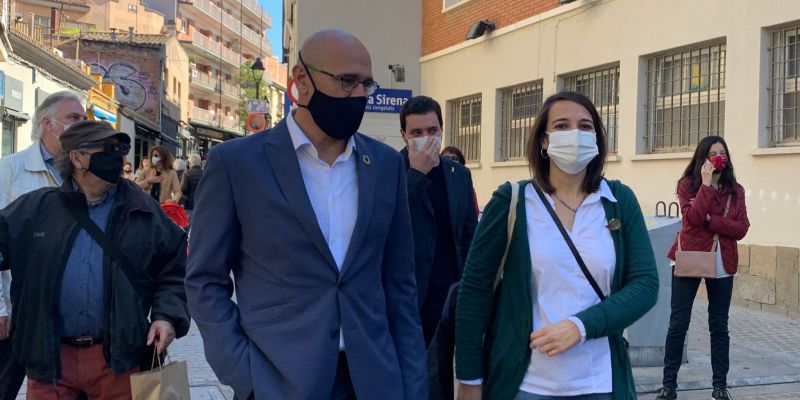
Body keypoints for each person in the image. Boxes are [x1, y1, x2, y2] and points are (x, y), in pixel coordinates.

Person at [185, 29, 427, 400]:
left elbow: (400, 286)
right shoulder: (236, 164)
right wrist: (244, 372)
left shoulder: (385, 165)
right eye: (347, 81)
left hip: (374, 381)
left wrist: (413, 384)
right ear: (302, 80)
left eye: (366, 85)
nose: (359, 95)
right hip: (277, 382)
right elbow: (205, 279)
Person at [455, 91, 658, 400]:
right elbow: (475, 289)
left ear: (597, 139)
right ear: (544, 140)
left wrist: (580, 326)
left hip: (600, 383)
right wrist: (469, 378)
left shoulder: (618, 200)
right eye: (562, 125)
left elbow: (645, 284)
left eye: (585, 126)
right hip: (526, 384)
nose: (575, 134)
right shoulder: (513, 201)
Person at [0, 120, 190, 399]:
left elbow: (174, 269)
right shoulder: (37, 208)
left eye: (120, 149)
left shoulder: (143, 210)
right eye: (107, 149)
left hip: (117, 358)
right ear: (77, 158)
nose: (118, 157)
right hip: (50, 359)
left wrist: (167, 317)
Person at [0, 90, 87, 400]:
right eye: (73, 118)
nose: (81, 123)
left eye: (84, 118)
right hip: (18, 308)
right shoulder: (10, 169)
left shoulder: (85, 173)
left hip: (67, 313)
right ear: (48, 124)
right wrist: (0, 307)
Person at [655, 136, 749, 400]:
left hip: (723, 262)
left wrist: (712, 220)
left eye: (723, 153)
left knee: (719, 326)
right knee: (678, 324)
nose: (719, 158)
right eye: (713, 153)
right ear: (702, 158)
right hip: (690, 257)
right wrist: (706, 186)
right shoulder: (688, 185)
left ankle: (719, 387)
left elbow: (741, 228)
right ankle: (668, 386)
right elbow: (693, 218)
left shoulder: (735, 190)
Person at [399, 96, 477, 346]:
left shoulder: (459, 175)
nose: (426, 138)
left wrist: (468, 287)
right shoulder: (390, 169)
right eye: (417, 132)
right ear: (404, 135)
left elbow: (469, 236)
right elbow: (388, 224)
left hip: (451, 299)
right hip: (408, 302)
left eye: (432, 131)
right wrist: (417, 174)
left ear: (442, 130)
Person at [180, 153, 203, 219]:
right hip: (201, 201)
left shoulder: (187, 173)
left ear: (189, 163)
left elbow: (183, 188)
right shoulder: (204, 172)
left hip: (189, 202)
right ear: (200, 163)